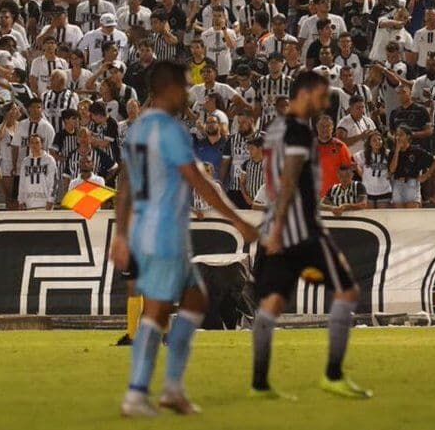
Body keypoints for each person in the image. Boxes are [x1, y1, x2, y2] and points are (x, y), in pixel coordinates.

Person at [112, 61, 256, 416]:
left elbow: (124, 184)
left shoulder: (139, 129)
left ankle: (169, 388)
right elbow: (201, 183)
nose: (187, 93)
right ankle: (138, 393)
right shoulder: (169, 131)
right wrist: (238, 220)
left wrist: (120, 232)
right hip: (163, 233)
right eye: (182, 86)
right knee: (162, 310)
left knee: (190, 303)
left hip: (151, 229)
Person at [251, 71, 371, 400]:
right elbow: (289, 178)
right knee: (347, 291)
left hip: (280, 224)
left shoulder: (276, 129)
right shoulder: (299, 131)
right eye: (318, 95)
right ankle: (332, 375)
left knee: (272, 303)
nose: (323, 102)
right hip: (301, 228)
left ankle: (259, 383)